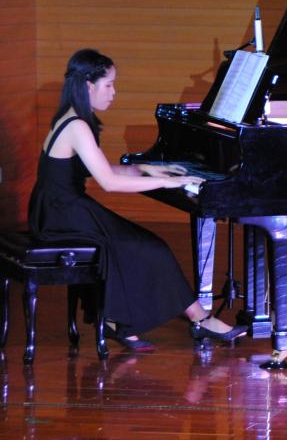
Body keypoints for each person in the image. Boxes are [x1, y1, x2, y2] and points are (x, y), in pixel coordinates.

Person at [28, 48, 246, 350]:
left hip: (56, 208)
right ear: (88, 86)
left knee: (137, 243)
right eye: (109, 85)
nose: (114, 92)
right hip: (63, 214)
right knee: (150, 247)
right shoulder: (77, 126)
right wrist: (169, 181)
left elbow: (96, 169)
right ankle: (199, 320)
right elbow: (109, 182)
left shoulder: (71, 118)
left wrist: (145, 169)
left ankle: (120, 321)